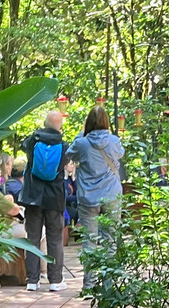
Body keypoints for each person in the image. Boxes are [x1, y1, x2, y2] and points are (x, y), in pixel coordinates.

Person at [67, 105, 124, 287]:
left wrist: (81, 133)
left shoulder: (82, 143)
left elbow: (69, 153)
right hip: (111, 194)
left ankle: (89, 284)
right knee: (110, 240)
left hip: (88, 197)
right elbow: (120, 154)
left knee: (89, 241)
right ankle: (108, 283)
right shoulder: (114, 141)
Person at [20, 110, 69, 291]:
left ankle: (32, 281)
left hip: (33, 197)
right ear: (60, 126)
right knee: (54, 239)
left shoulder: (33, 141)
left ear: (45, 123)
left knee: (32, 238)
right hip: (54, 198)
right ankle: (55, 281)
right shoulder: (64, 146)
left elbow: (23, 147)